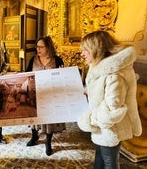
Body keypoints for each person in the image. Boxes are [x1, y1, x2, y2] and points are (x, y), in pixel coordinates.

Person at [77, 30, 142, 169]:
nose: (82, 53)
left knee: (109, 164)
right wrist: (89, 91)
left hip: (109, 129)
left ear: (96, 50)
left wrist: (90, 120)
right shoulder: (100, 69)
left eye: (85, 50)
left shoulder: (115, 75)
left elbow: (112, 112)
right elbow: (103, 94)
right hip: (102, 129)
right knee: (100, 160)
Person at [25, 36, 66, 156]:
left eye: (41, 47)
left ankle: (48, 142)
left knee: (49, 120)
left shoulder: (57, 60)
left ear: (48, 47)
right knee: (34, 117)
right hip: (35, 94)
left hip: (51, 95)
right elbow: (27, 73)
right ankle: (34, 137)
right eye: (37, 47)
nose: (38, 49)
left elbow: (62, 77)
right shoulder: (33, 59)